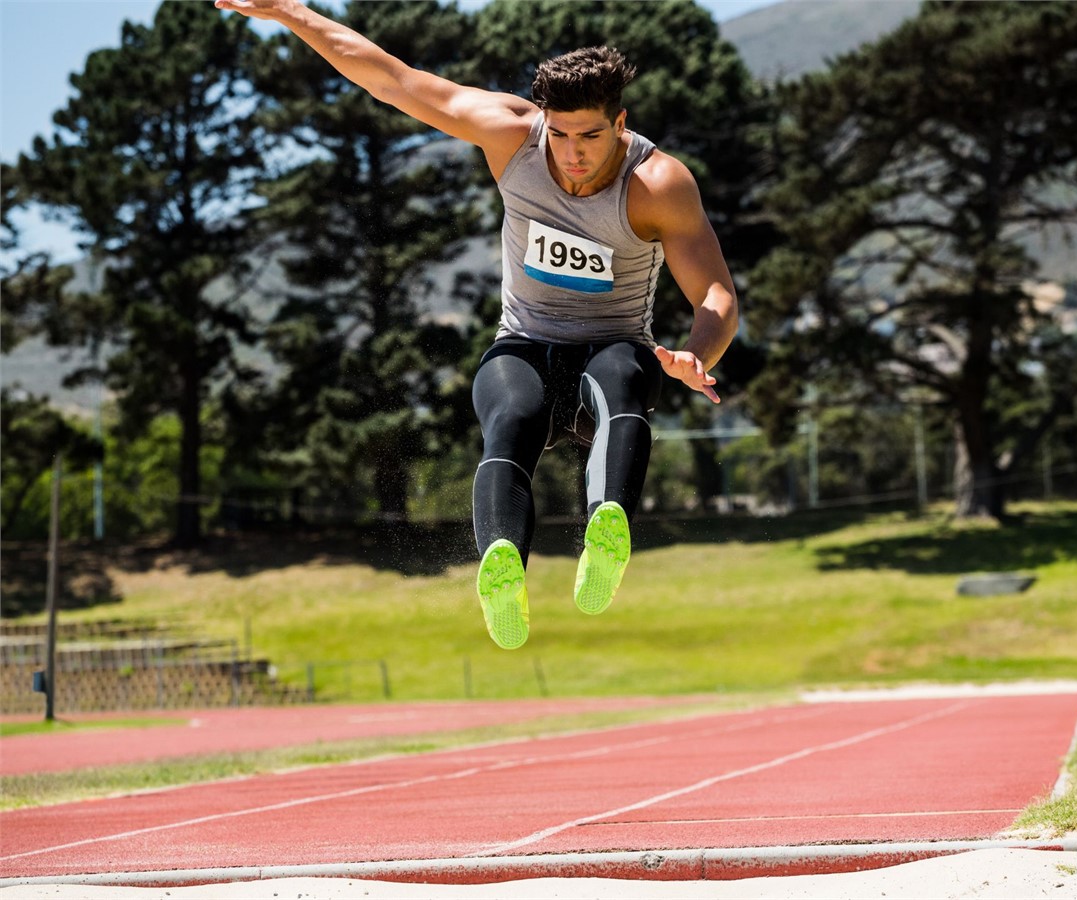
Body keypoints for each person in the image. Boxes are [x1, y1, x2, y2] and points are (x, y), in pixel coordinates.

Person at [214, 0, 739, 650]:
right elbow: (392, 79)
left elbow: (714, 290)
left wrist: (697, 351)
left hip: (610, 352)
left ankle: (607, 526)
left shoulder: (657, 183)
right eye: (561, 135)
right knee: (510, 417)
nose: (573, 156)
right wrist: (294, 13)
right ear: (542, 120)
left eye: (592, 137)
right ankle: (504, 575)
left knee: (624, 374)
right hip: (523, 344)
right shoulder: (510, 134)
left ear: (620, 123)